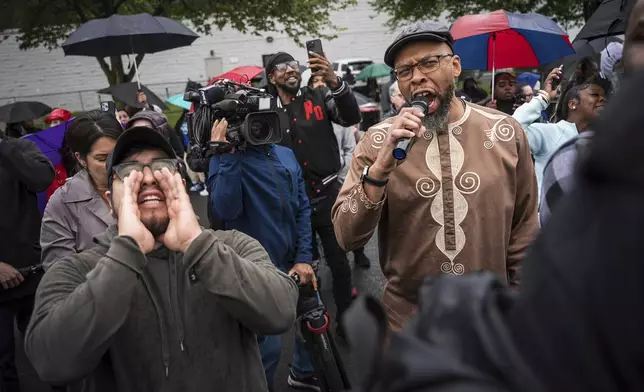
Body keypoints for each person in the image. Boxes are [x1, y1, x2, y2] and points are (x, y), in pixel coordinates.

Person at [25, 125, 298, 391]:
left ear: (181, 184)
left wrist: (196, 244)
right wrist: (126, 251)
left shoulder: (233, 246)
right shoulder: (76, 270)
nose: (147, 178)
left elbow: (280, 313)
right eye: (129, 171)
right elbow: (52, 363)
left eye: (161, 167)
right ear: (109, 202)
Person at [332, 21, 539, 330]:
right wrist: (379, 171)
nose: (417, 77)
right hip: (407, 327)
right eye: (405, 71)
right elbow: (346, 236)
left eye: (429, 63)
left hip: (492, 323)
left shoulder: (505, 132)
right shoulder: (377, 141)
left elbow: (525, 231)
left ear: (455, 66)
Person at [207, 117, 318, 390]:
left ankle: (303, 373)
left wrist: (304, 257)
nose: (259, 126)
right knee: (267, 351)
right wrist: (227, 155)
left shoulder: (285, 153)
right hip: (254, 269)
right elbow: (224, 212)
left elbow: (302, 207)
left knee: (314, 324)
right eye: (252, 121)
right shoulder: (223, 160)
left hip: (295, 260)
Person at [266, 50, 362, 337]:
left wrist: (334, 81)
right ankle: (311, 324)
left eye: (294, 65)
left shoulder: (318, 97)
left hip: (328, 197)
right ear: (272, 77)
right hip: (292, 204)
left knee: (340, 265)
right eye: (282, 67)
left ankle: (346, 320)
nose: (291, 70)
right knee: (303, 268)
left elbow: (350, 116)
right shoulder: (266, 111)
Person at [539, 0, 644, 226]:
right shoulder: (570, 162)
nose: (601, 100)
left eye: (602, 95)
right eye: (642, 37)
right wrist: (542, 98)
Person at [0, 131, 54, 391]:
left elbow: (41, 179)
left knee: (51, 351)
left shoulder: (21, 148)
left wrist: (3, 147)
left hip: (33, 276)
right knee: (4, 364)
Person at [40, 111, 125, 269]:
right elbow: (59, 272)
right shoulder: (62, 202)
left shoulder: (144, 183)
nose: (113, 164)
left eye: (119, 154)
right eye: (102, 158)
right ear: (80, 158)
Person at [513, 67, 607, 200]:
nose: (602, 99)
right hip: (548, 218)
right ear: (573, 104)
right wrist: (544, 97)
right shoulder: (550, 132)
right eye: (595, 94)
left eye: (604, 97)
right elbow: (514, 128)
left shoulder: (604, 141)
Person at [310, 75, 372, 269]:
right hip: (323, 183)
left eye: (324, 84)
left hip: (343, 178)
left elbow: (350, 149)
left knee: (353, 219)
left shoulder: (339, 119)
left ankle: (359, 252)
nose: (321, 87)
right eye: (316, 85)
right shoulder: (310, 121)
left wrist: (342, 178)